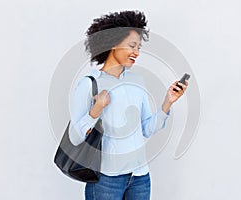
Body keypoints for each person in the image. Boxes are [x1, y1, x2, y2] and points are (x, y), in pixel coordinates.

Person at [68, 10, 188, 200]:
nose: (137, 53)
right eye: (132, 46)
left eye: (139, 47)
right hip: (106, 179)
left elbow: (147, 129)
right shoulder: (89, 83)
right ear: (113, 43)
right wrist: (95, 111)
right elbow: (74, 137)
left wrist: (168, 102)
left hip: (140, 177)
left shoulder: (137, 81)